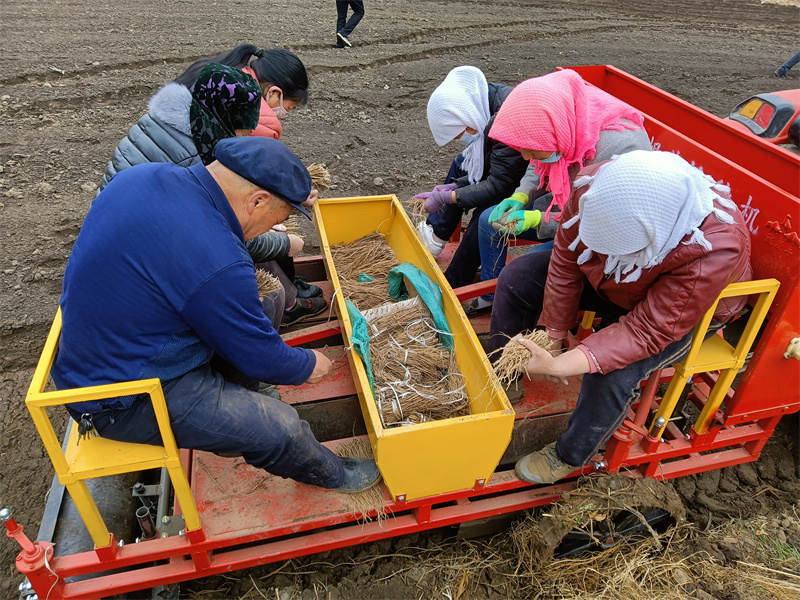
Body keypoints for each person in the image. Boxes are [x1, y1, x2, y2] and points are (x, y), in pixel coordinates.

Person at [52, 137, 382, 494]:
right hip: (121, 395)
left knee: (268, 300)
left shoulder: (145, 176)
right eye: (278, 219)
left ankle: (239, 393)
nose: (270, 228)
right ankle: (331, 474)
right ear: (257, 200)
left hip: (119, 340)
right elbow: (263, 358)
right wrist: (305, 364)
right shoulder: (216, 260)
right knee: (280, 427)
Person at [490, 150, 752, 485]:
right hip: (615, 280)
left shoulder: (711, 247)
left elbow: (648, 330)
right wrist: (553, 333)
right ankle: (507, 373)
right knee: (519, 277)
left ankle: (570, 454)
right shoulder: (597, 187)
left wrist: (563, 365)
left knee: (613, 371)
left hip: (683, 312)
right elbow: (568, 259)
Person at [471, 69, 651, 314]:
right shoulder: (562, 122)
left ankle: (534, 319)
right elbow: (540, 161)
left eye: (530, 150)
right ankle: (492, 296)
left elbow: (602, 221)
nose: (525, 156)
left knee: (523, 272)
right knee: (486, 221)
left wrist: (539, 219)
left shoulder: (619, 147)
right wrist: (520, 196)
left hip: (599, 239)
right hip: (565, 205)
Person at [175, 44, 327, 319]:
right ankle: (288, 300)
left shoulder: (218, 97)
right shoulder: (244, 116)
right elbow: (230, 230)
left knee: (265, 222)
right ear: (274, 93)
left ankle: (288, 290)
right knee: (272, 296)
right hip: (174, 250)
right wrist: (285, 243)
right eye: (243, 135)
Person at [413, 66, 528, 291]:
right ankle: (437, 234)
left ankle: (457, 282)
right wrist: (451, 188)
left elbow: (499, 185)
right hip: (512, 170)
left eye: (459, 134)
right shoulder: (482, 101)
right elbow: (491, 172)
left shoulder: (507, 122)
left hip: (532, 181)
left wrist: (451, 196)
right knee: (461, 162)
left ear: (465, 116)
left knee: (486, 216)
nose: (461, 139)